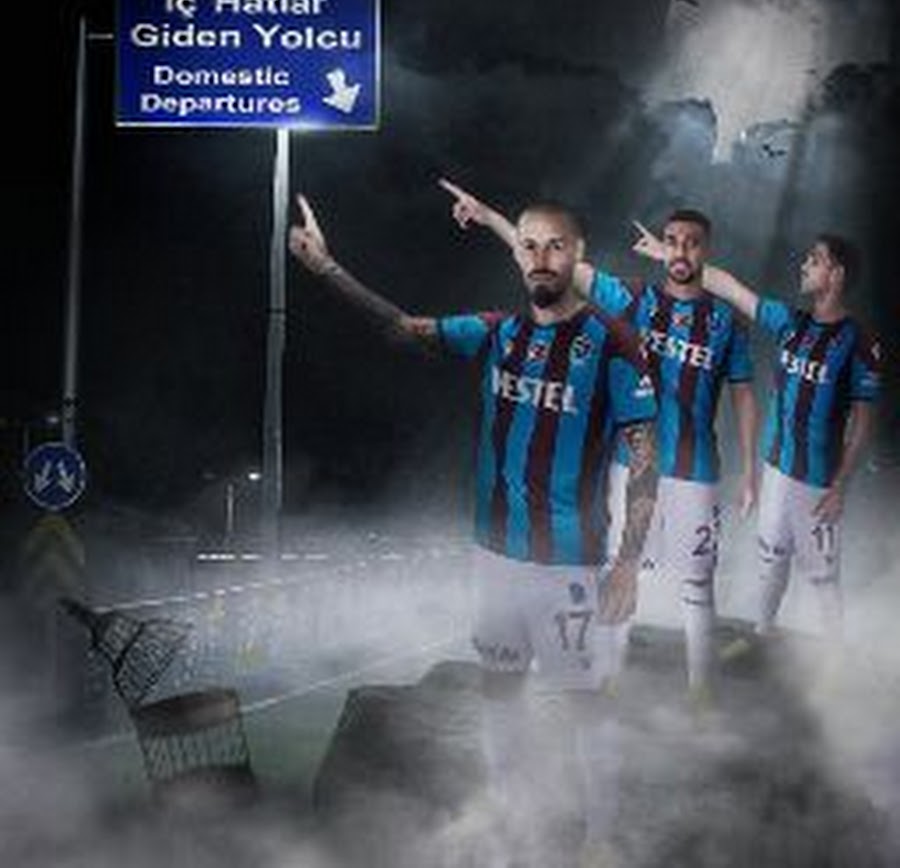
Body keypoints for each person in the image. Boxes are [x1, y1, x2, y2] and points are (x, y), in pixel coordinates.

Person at [289, 194, 658, 863]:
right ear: (516, 255)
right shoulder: (498, 333)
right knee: (500, 693)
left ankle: (603, 838)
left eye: (555, 245)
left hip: (569, 566)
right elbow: (401, 328)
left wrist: (629, 563)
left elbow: (644, 460)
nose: (540, 257)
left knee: (584, 704)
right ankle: (511, 825)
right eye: (528, 245)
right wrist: (326, 268)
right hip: (495, 559)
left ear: (577, 255)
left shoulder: (614, 344)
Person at [440, 180, 758, 705]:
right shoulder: (631, 298)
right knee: (613, 576)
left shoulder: (727, 324)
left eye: (692, 243)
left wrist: (751, 471)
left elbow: (743, 395)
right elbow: (547, 257)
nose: (680, 251)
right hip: (628, 466)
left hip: (696, 472)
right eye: (672, 241)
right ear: (662, 248)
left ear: (706, 250)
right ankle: (604, 683)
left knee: (697, 585)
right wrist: (488, 216)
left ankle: (702, 694)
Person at [632, 226, 882, 646]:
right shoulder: (790, 322)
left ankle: (836, 660)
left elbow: (863, 421)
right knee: (771, 556)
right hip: (776, 467)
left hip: (818, 481)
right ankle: (762, 636)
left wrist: (840, 486)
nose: (804, 265)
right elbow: (731, 289)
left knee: (823, 575)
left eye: (815, 259)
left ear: (836, 274)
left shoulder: (859, 343)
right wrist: (668, 256)